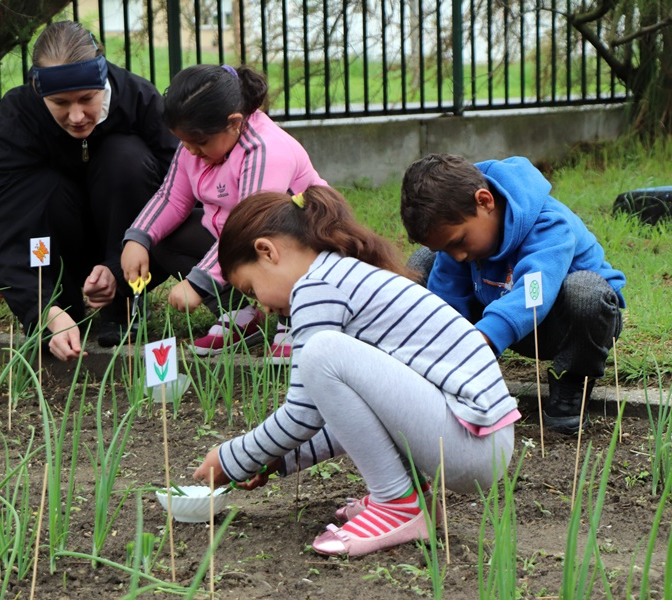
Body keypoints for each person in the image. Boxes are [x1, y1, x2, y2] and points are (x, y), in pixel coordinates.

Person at [192, 186, 519, 557]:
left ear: (267, 251)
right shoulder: (342, 277)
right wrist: (279, 458)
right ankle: (415, 501)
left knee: (320, 352)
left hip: (468, 443)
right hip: (475, 443)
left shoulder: (316, 288)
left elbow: (303, 413)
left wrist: (233, 457)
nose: (261, 307)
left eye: (251, 289)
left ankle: (397, 504)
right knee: (325, 355)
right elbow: (359, 415)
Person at [0, 21, 177, 361]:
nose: (76, 116)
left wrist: (118, 268)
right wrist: (42, 309)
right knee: (44, 186)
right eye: (60, 102)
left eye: (87, 98)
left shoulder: (138, 99)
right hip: (57, 245)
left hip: (126, 247)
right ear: (38, 90)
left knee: (126, 159)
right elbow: (3, 221)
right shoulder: (19, 116)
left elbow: (180, 196)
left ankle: (124, 305)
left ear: (103, 81)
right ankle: (63, 302)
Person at [400, 154, 626, 434]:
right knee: (423, 263)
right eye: (448, 248)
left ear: (485, 202)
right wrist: (442, 349)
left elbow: (534, 295)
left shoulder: (548, 224)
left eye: (458, 242)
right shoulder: (461, 241)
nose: (457, 255)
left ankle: (570, 379)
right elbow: (447, 299)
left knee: (585, 293)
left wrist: (481, 339)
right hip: (506, 319)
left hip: (568, 325)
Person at [121, 64, 326, 364]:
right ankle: (243, 314)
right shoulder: (197, 144)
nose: (190, 151)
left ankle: (297, 317)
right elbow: (171, 198)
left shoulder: (264, 149)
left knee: (277, 242)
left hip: (296, 242)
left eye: (199, 143)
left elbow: (252, 226)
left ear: (234, 122)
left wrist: (198, 282)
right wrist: (138, 238)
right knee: (167, 239)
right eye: (185, 142)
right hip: (242, 241)